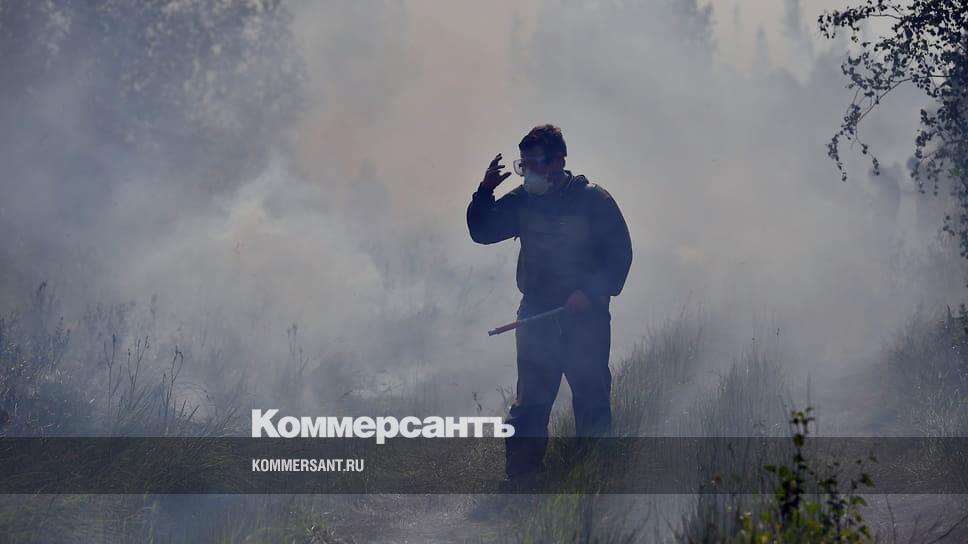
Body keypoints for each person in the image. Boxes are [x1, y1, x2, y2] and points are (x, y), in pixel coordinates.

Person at [467, 124, 633, 481]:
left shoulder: (593, 201)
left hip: (585, 318)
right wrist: (484, 191)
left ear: (559, 161)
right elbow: (482, 231)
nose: (528, 173)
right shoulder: (522, 200)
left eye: (535, 164)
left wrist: (589, 292)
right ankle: (523, 478)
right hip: (536, 313)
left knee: (590, 394)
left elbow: (619, 255)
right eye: (523, 165)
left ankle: (594, 476)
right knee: (531, 399)